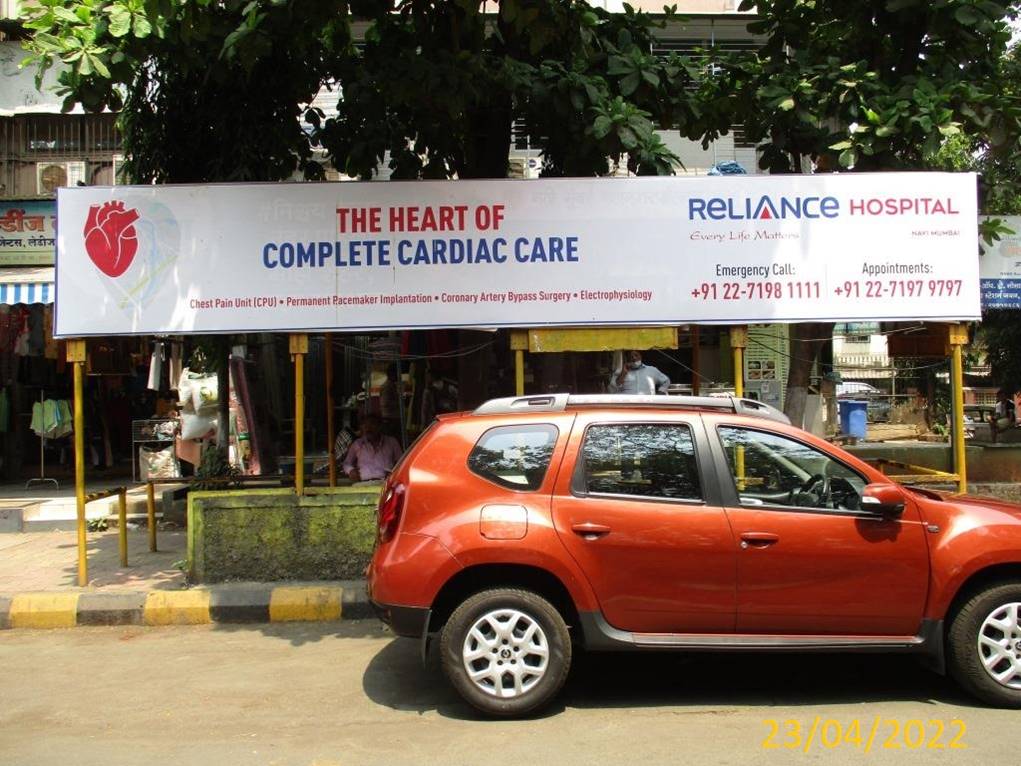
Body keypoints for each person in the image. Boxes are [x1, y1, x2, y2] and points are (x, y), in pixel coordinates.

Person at [342, 413, 403, 482]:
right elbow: (346, 463)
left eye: (372, 424)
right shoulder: (358, 444)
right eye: (365, 425)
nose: (368, 428)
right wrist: (351, 470)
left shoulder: (392, 442)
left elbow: (402, 462)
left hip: (386, 482)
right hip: (363, 483)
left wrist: (394, 472)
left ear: (380, 426)